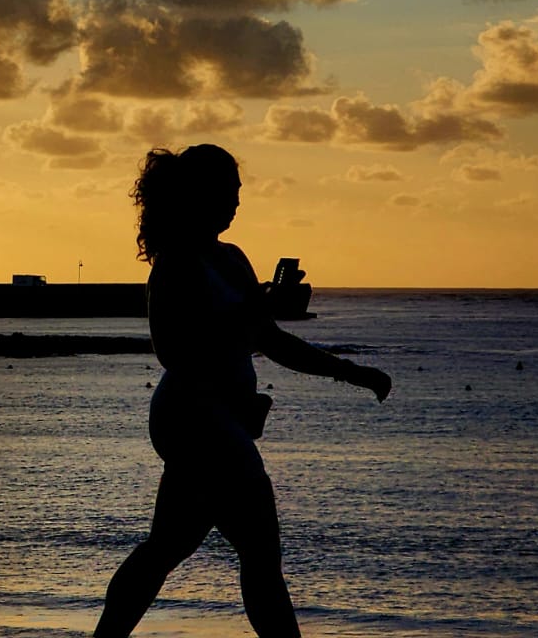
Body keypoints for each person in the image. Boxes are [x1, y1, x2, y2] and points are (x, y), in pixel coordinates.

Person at [95, 144, 391, 638]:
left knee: (166, 547)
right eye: (229, 191)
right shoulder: (175, 264)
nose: (236, 202)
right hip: (195, 418)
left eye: (238, 192)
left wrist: (350, 371)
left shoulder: (232, 258)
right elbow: (174, 351)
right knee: (257, 550)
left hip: (221, 420)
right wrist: (246, 317)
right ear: (201, 194)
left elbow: (270, 340)